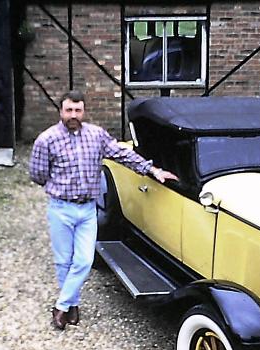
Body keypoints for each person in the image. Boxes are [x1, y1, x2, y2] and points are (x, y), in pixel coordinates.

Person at [29, 90, 178, 330]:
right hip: (60, 209)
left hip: (88, 210)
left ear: (84, 111)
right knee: (63, 260)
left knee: (85, 261)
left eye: (78, 110)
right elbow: (37, 174)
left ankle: (61, 305)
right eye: (69, 110)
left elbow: (122, 154)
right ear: (61, 111)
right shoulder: (46, 140)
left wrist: (152, 170)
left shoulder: (96, 136)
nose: (73, 115)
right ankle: (73, 304)